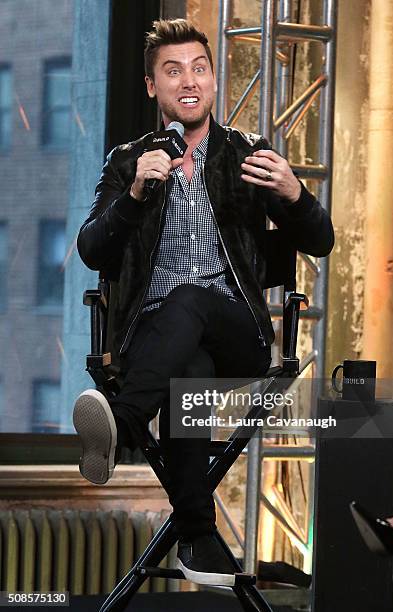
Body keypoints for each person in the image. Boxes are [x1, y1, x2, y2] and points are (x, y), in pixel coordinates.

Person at [73, 18, 334, 586]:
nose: (188, 81)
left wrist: (294, 194)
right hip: (156, 342)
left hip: (235, 331)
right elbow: (91, 249)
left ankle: (120, 422)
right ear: (152, 88)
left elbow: (321, 242)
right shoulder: (127, 162)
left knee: (192, 298)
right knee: (185, 371)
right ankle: (198, 536)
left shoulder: (247, 155)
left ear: (213, 79)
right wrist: (136, 195)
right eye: (172, 71)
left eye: (199, 68)